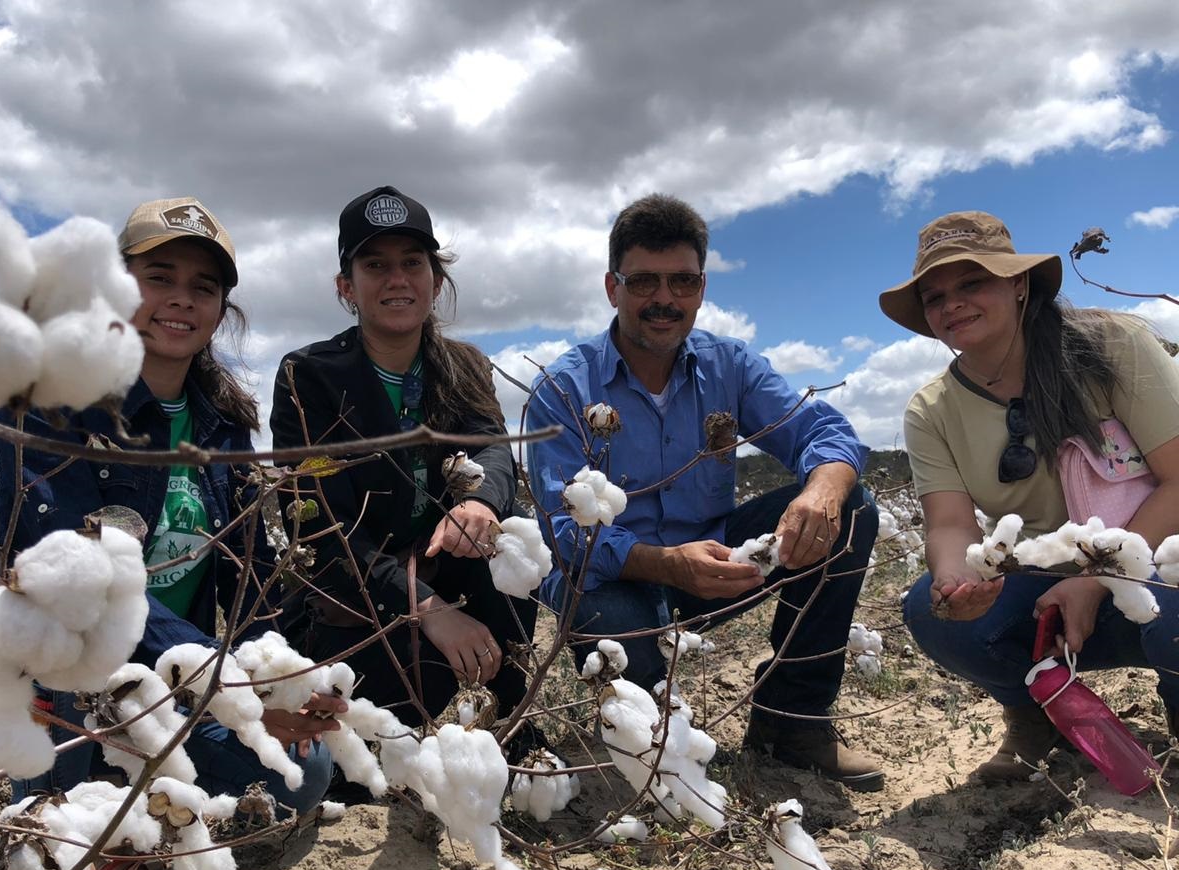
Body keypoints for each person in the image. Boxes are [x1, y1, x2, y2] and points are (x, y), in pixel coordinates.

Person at [0, 197, 341, 811]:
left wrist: (277, 680)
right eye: (159, 278)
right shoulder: (48, 404)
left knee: (303, 776)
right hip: (64, 669)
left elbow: (245, 573)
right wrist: (219, 682)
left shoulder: (223, 425)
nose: (182, 298)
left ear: (221, 310)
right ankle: (54, 820)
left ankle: (131, 783)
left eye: (203, 286)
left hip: (171, 674)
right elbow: (76, 584)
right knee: (65, 636)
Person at [526, 193, 882, 791]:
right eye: (644, 281)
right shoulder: (565, 387)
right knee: (654, 749)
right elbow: (563, 533)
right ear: (612, 287)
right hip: (611, 579)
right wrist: (666, 565)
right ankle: (645, 736)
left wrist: (822, 488)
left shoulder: (729, 366)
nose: (664, 299)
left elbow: (822, 430)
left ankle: (791, 723)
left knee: (852, 509)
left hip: (713, 563)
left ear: (701, 286)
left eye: (682, 281)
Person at [882, 210, 1179, 782]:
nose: (952, 304)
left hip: (1156, 561)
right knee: (931, 612)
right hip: (1046, 587)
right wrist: (957, 582)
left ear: (1018, 285)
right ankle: (1035, 716)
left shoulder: (1112, 345)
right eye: (935, 295)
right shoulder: (932, 410)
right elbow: (949, 524)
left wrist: (1096, 579)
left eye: (973, 283)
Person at [270, 186, 537, 735]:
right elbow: (323, 532)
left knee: (511, 541)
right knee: (369, 742)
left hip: (444, 568)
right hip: (356, 597)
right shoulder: (309, 377)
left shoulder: (463, 366)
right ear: (347, 287)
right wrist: (431, 609)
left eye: (413, 263)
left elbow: (492, 446)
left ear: (435, 281)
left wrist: (480, 502)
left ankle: (513, 716)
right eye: (376, 265)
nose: (397, 279)